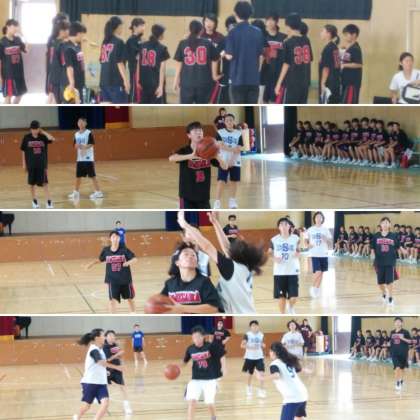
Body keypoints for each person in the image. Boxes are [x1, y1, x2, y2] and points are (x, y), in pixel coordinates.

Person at [177, 211, 267, 314]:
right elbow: (227, 247)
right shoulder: (244, 267)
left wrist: (185, 225)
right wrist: (215, 223)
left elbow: (207, 247)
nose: (234, 247)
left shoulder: (231, 268)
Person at [168, 121, 226, 209]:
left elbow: (225, 167)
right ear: (189, 135)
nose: (199, 132)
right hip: (186, 196)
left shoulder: (209, 151)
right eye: (195, 131)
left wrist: (217, 155)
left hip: (203, 196)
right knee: (186, 217)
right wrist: (190, 156)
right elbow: (171, 158)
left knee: (207, 217)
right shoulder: (185, 150)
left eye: (200, 130)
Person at [73, 329, 123, 420]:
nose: (105, 337)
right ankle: (77, 417)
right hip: (90, 382)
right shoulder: (93, 350)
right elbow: (100, 362)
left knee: (105, 403)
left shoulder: (100, 350)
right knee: (87, 406)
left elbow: (99, 365)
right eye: (103, 335)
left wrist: (105, 371)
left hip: (101, 383)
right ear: (97, 338)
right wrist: (116, 367)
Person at [161, 242, 222, 313]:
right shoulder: (170, 283)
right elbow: (161, 303)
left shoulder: (204, 282)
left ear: (196, 264)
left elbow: (213, 308)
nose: (190, 257)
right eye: (186, 254)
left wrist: (182, 308)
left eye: (193, 255)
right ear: (177, 262)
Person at [86, 230, 137, 313]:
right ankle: (113, 316)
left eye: (117, 237)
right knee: (112, 300)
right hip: (112, 280)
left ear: (119, 238)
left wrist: (128, 263)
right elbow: (100, 260)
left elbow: (135, 259)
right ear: (110, 239)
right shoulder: (106, 250)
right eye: (113, 237)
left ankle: (133, 314)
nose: (115, 238)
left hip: (125, 279)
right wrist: (91, 264)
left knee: (130, 298)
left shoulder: (124, 250)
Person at [224, 1, 265, 104]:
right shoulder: (258, 32)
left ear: (235, 13)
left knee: (238, 107)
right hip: (253, 80)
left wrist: (224, 53)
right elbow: (261, 55)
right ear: (250, 13)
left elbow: (229, 56)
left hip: (237, 80)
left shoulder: (232, 32)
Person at [183, 325, 225, 420]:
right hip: (195, 379)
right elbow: (184, 362)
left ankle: (213, 417)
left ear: (203, 337)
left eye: (198, 337)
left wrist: (224, 367)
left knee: (209, 403)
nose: (196, 339)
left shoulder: (210, 346)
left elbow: (222, 355)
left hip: (210, 379)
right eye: (194, 337)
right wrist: (177, 368)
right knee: (192, 402)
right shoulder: (190, 349)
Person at [174, 20, 220, 104]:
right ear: (201, 30)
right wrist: (214, 75)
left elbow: (178, 64)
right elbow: (216, 58)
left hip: (187, 83)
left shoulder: (183, 43)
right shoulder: (207, 43)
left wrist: (176, 80)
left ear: (190, 29)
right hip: (204, 83)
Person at [264, 341, 308, 420]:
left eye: (270, 351)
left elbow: (276, 375)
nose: (269, 353)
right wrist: (306, 370)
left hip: (293, 397)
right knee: (299, 417)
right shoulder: (287, 361)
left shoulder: (275, 363)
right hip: (303, 394)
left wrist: (262, 378)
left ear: (274, 352)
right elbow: (298, 369)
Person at [275, 13, 312, 104]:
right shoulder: (306, 40)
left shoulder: (288, 42)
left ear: (288, 26)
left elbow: (286, 64)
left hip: (292, 83)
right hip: (305, 82)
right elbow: (310, 60)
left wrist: (278, 83)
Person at [20, 120, 56, 209]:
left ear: (39, 129)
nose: (35, 130)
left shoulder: (43, 137)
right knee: (31, 184)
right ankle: (34, 201)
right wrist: (24, 163)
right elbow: (23, 151)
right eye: (33, 129)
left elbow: (52, 139)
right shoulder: (26, 137)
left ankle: (49, 201)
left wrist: (43, 131)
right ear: (30, 129)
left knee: (45, 183)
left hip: (42, 164)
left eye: (36, 129)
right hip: (31, 164)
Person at [269, 217, 300, 314]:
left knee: (294, 296)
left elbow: (299, 249)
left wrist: (298, 252)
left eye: (286, 224)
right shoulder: (274, 240)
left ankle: (290, 307)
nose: (283, 226)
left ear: (289, 226)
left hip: (293, 271)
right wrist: (274, 258)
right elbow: (269, 252)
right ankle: (282, 314)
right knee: (281, 297)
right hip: (279, 272)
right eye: (281, 224)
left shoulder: (295, 238)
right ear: (278, 227)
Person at [68, 117, 103, 202]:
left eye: (82, 122)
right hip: (80, 159)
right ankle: (76, 192)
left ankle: (98, 192)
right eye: (79, 122)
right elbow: (75, 145)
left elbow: (92, 144)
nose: (80, 123)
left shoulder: (88, 133)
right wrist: (77, 146)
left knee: (92, 176)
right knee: (78, 176)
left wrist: (84, 147)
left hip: (88, 158)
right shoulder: (76, 134)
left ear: (85, 123)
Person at [214, 113, 244, 209]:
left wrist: (232, 160)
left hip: (235, 160)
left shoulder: (238, 133)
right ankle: (217, 202)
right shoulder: (220, 132)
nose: (229, 122)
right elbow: (220, 145)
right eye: (227, 120)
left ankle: (232, 201)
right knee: (221, 180)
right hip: (223, 160)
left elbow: (239, 148)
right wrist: (232, 149)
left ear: (234, 121)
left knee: (234, 181)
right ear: (224, 122)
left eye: (231, 120)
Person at [371, 217, 400, 307]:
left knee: (389, 281)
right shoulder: (376, 236)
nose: (385, 224)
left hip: (390, 262)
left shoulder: (393, 236)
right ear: (380, 225)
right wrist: (372, 254)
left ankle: (390, 298)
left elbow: (398, 246)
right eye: (383, 223)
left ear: (390, 225)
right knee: (380, 282)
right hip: (379, 262)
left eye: (387, 222)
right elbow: (372, 247)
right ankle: (384, 292)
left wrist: (403, 251)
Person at [99, 16, 129, 104]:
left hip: (103, 81)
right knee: (121, 108)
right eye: (122, 26)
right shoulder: (119, 42)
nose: (122, 29)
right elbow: (120, 63)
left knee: (108, 107)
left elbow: (102, 61)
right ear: (118, 27)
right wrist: (126, 81)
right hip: (115, 82)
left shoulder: (105, 42)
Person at [138, 24, 170, 104]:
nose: (164, 35)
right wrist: (160, 86)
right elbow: (162, 69)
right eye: (163, 33)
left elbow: (138, 64)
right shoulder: (162, 48)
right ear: (160, 34)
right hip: (156, 83)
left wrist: (138, 80)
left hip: (144, 82)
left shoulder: (142, 45)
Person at [103, 330, 132, 415]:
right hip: (108, 369)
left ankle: (127, 407)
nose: (112, 337)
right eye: (110, 335)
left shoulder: (115, 345)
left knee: (123, 387)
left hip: (117, 369)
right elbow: (108, 359)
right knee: (103, 387)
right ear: (106, 337)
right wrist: (118, 354)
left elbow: (119, 356)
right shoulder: (104, 347)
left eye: (113, 335)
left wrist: (122, 363)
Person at [305, 212, 332, 298]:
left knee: (321, 273)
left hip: (323, 253)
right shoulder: (310, 229)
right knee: (318, 271)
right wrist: (307, 245)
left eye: (320, 217)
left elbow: (330, 242)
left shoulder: (325, 229)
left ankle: (316, 289)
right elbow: (305, 239)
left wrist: (326, 239)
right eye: (317, 217)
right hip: (314, 253)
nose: (319, 219)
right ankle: (313, 286)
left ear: (322, 219)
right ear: (314, 219)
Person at [0, 19, 27, 104]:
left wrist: (23, 36)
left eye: (17, 27)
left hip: (19, 73)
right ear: (8, 27)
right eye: (14, 26)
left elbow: (26, 49)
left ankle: (12, 108)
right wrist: (0, 76)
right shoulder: (2, 42)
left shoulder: (18, 39)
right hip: (8, 74)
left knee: (20, 94)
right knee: (8, 96)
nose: (16, 28)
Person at [262, 13, 286, 103]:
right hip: (265, 74)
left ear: (276, 22)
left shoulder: (284, 37)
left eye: (272, 20)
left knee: (277, 101)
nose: (270, 22)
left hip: (279, 74)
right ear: (265, 22)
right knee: (264, 100)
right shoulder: (263, 37)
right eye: (268, 20)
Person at [61, 22, 87, 104]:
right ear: (78, 34)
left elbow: (80, 62)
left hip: (80, 82)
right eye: (82, 35)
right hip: (72, 85)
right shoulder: (68, 48)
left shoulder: (77, 46)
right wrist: (72, 83)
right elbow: (69, 67)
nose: (83, 37)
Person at [46, 13, 69, 104]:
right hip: (57, 74)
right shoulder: (60, 43)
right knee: (55, 97)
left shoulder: (52, 39)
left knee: (52, 95)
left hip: (53, 72)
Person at [241, 320, 266, 398]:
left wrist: (263, 345)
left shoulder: (261, 335)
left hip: (259, 357)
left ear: (258, 326)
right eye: (253, 325)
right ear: (250, 327)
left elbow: (262, 344)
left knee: (261, 373)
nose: (254, 327)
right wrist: (251, 347)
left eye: (256, 325)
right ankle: (248, 387)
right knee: (250, 374)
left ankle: (261, 390)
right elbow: (242, 345)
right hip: (250, 357)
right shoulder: (247, 335)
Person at [341, 24, 363, 104]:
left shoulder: (355, 48)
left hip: (352, 83)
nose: (345, 37)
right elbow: (348, 60)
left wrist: (343, 65)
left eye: (347, 34)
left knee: (349, 104)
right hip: (346, 82)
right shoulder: (350, 48)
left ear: (354, 35)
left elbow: (359, 64)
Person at [319, 24, 340, 104]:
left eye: (322, 31)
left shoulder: (328, 48)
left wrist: (323, 83)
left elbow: (326, 68)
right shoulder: (334, 46)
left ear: (328, 34)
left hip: (329, 83)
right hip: (335, 82)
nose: (321, 33)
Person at [126, 17, 145, 103]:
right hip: (134, 69)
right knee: (134, 91)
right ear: (134, 27)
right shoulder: (131, 40)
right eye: (141, 26)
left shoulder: (140, 39)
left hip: (142, 70)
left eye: (144, 26)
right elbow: (136, 55)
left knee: (141, 93)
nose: (143, 28)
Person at [390, 317, 412, 391]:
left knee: (402, 369)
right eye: (396, 322)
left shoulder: (405, 332)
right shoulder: (392, 332)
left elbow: (410, 341)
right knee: (397, 368)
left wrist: (402, 338)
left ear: (402, 323)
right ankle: (397, 383)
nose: (397, 323)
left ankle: (401, 380)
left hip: (403, 353)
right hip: (394, 353)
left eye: (399, 322)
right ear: (394, 323)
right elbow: (391, 342)